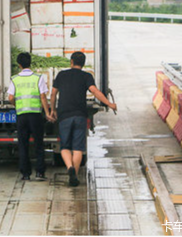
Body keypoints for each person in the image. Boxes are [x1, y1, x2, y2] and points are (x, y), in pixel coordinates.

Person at [50, 51, 117, 187]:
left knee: (65, 147)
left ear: (71, 62)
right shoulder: (86, 76)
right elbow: (95, 92)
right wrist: (109, 104)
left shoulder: (61, 75)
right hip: (80, 115)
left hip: (64, 115)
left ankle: (70, 168)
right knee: (78, 148)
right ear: (83, 63)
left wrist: (52, 110)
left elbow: (53, 94)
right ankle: (74, 174)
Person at [7, 52, 53, 181]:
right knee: (39, 143)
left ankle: (25, 173)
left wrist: (16, 104)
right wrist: (47, 112)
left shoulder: (15, 79)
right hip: (35, 115)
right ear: (30, 63)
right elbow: (43, 97)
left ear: (19, 65)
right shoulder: (38, 78)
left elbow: (10, 97)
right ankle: (40, 172)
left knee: (23, 144)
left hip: (21, 115)